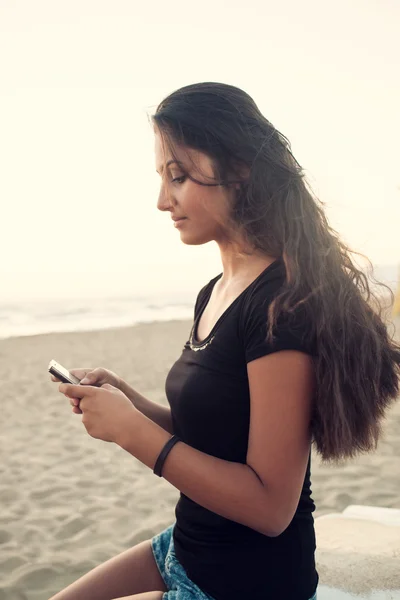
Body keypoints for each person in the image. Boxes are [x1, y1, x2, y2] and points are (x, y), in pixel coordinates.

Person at [49, 82, 400, 600]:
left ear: (239, 170)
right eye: (162, 178)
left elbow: (270, 508)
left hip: (247, 583)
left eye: (179, 177)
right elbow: (213, 438)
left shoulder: (282, 305)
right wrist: (131, 404)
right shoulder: (214, 292)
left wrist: (130, 434)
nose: (162, 200)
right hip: (184, 549)